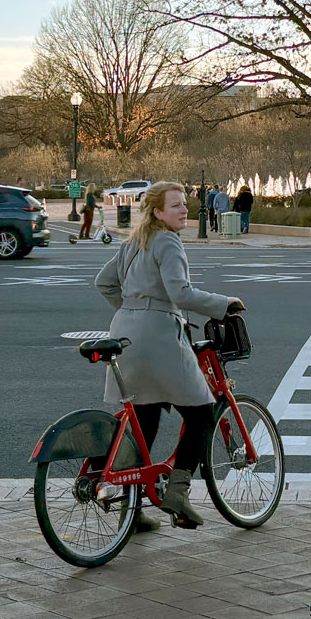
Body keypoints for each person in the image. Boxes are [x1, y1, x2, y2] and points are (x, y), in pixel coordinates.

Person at [94, 180, 244, 531]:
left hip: (124, 332)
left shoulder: (133, 241)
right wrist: (223, 305)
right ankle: (178, 490)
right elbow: (181, 292)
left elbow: (104, 283)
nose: (184, 210)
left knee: (144, 416)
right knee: (203, 414)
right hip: (159, 337)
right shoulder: (167, 241)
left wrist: (133, 310)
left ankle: (130, 511)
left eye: (183, 204)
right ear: (158, 212)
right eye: (175, 205)